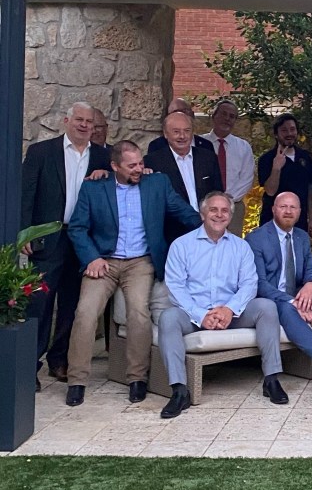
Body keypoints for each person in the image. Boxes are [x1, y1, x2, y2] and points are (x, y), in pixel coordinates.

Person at [64, 140, 199, 407]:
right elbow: (77, 228)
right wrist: (91, 257)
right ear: (115, 166)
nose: (139, 169)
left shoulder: (157, 183)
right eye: (132, 165)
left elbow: (186, 214)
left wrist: (212, 228)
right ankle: (76, 381)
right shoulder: (94, 188)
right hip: (104, 261)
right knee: (85, 312)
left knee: (138, 312)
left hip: (141, 262)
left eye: (140, 163)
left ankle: (137, 378)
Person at [159, 193, 284, 418]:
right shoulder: (181, 245)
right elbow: (176, 287)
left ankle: (271, 379)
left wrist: (229, 309)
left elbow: (249, 284)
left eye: (224, 210)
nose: (219, 215)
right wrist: (201, 315)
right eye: (213, 210)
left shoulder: (241, 247)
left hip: (231, 314)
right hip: (194, 315)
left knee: (266, 307)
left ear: (230, 216)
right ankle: (179, 391)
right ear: (202, 214)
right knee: (168, 318)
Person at [22, 102, 111, 387]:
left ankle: (59, 361)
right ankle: (28, 367)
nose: (84, 125)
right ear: (66, 121)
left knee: (72, 304)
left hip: (82, 239)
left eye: (89, 122)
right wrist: (25, 232)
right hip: (48, 237)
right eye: (79, 120)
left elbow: (118, 188)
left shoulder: (103, 156)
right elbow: (26, 193)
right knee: (39, 304)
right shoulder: (41, 152)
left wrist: (107, 175)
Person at [245, 192, 312, 391]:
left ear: (299, 212)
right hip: (272, 301)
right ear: (273, 209)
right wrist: (294, 303)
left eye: (293, 207)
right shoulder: (256, 239)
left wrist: (311, 285)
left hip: (296, 295)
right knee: (288, 310)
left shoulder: (301, 237)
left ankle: (309, 354)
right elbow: (259, 284)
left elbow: (311, 269)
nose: (288, 211)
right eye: (283, 207)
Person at [144, 110, 223, 242]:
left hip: (207, 229)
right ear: (165, 134)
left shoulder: (208, 158)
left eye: (187, 131)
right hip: (171, 233)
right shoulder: (153, 161)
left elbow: (218, 192)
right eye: (176, 131)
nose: (182, 136)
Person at [201, 99, 255, 236]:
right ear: (214, 115)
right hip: (204, 206)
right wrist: (211, 201)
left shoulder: (243, 147)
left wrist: (227, 199)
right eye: (224, 114)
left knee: (231, 244)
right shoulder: (199, 143)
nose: (227, 119)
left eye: (232, 116)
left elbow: (247, 178)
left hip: (234, 206)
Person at [257, 113, 312, 234]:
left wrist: (311, 219)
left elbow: (310, 190)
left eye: (292, 129)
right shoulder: (267, 159)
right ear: (276, 134)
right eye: (284, 130)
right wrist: (276, 168)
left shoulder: (305, 157)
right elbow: (270, 191)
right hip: (272, 221)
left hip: (299, 221)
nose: (289, 134)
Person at [146, 98, 215, 153]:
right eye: (176, 112)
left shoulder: (206, 145)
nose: (181, 116)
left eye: (184, 111)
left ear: (192, 114)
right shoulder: (157, 146)